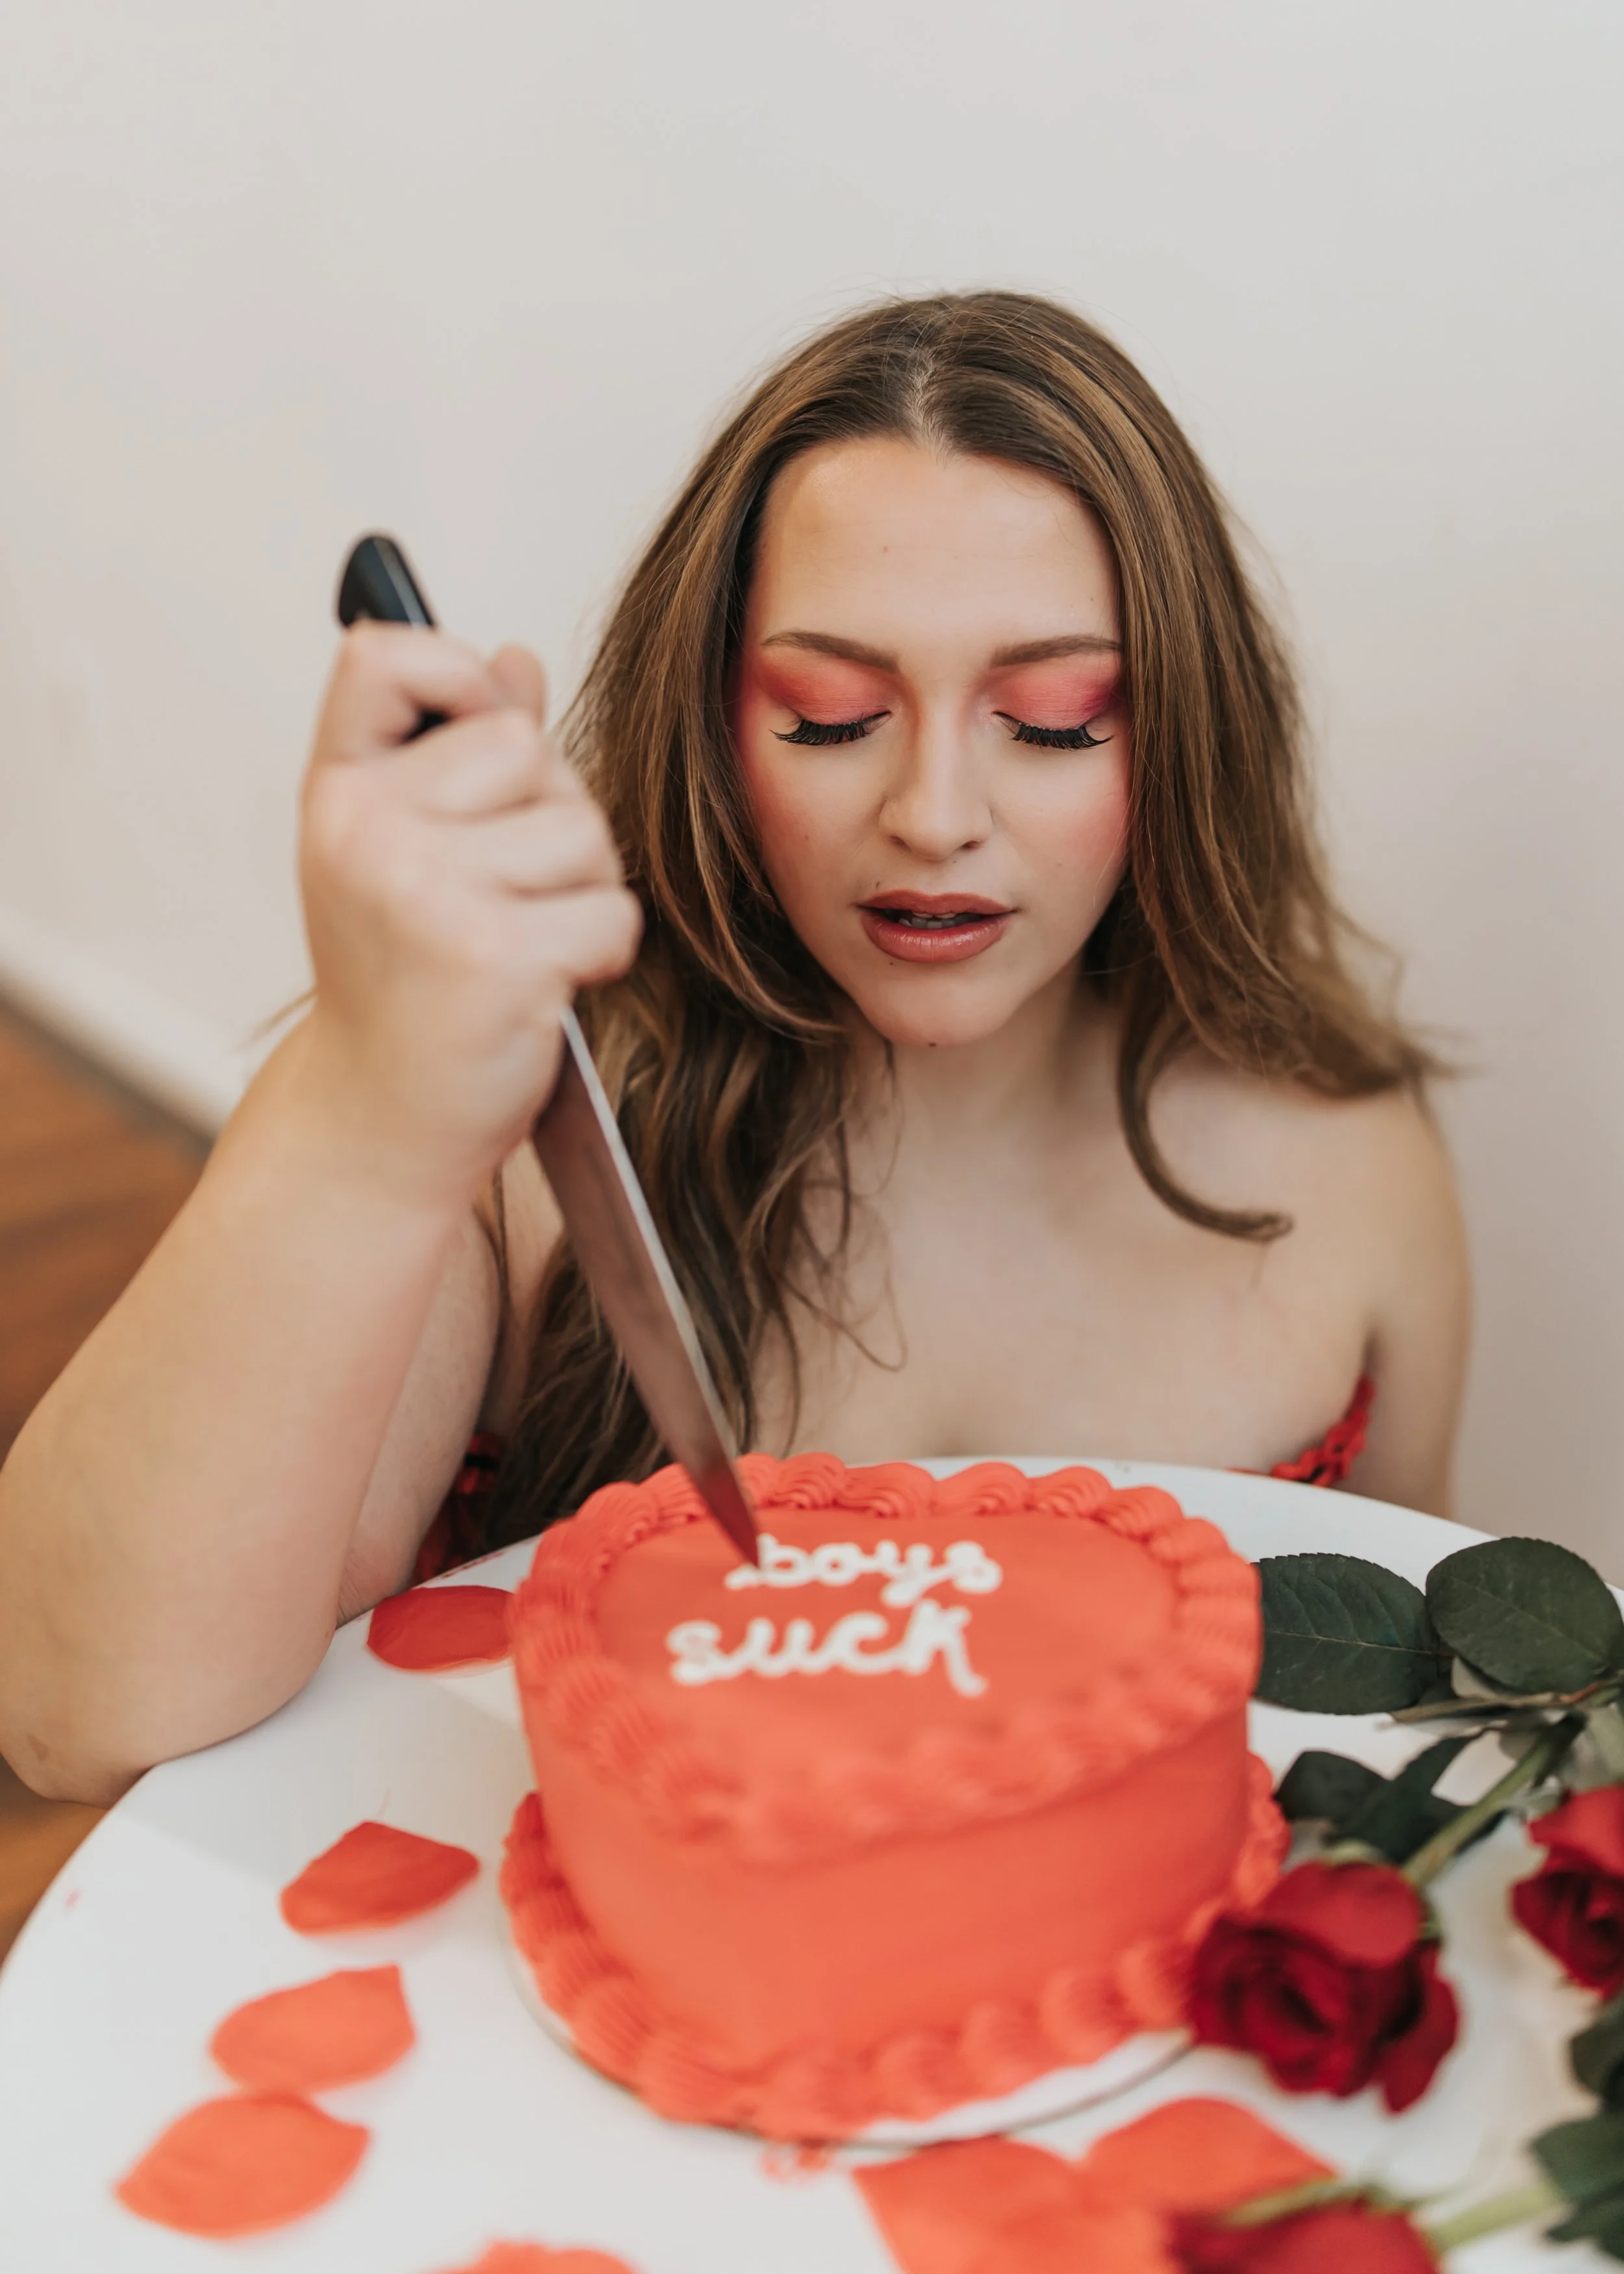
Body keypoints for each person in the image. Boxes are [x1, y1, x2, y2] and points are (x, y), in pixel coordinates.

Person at [0, 292, 1467, 1804]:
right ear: (712, 718)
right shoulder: (485, 1114)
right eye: (830, 716)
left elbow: (1393, 1725)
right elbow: (74, 1708)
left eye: (1049, 715)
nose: (935, 812)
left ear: (1182, 728)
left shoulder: (1350, 1166)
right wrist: (366, 1113)